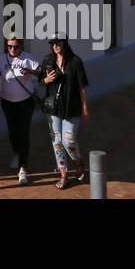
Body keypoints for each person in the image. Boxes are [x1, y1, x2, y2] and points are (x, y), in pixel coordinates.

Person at [40, 34, 89, 190]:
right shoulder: (48, 60)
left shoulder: (75, 62)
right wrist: (46, 80)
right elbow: (40, 80)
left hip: (71, 107)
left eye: (57, 43)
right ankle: (64, 175)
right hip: (53, 108)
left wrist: (84, 106)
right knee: (57, 142)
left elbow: (81, 87)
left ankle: (79, 162)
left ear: (64, 43)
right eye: (52, 44)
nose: (55, 46)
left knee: (68, 141)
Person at [0, 36, 40, 186]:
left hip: (25, 102)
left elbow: (41, 73)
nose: (12, 49)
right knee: (12, 131)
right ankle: (16, 152)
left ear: (21, 46)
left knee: (24, 132)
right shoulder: (1, 60)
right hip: (8, 102)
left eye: (15, 47)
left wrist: (30, 71)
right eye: (9, 46)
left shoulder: (27, 58)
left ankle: (23, 168)